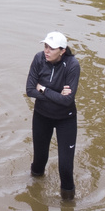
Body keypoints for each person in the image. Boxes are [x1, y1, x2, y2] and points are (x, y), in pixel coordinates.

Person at [26, 31, 80, 199]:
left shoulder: (72, 65)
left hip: (66, 119)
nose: (46, 51)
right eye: (45, 46)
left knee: (65, 169)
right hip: (42, 116)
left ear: (62, 50)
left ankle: (68, 208)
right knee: (39, 162)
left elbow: (67, 101)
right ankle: (35, 193)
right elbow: (29, 90)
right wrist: (58, 95)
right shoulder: (38, 59)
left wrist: (43, 88)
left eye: (52, 48)